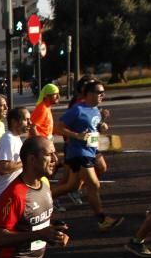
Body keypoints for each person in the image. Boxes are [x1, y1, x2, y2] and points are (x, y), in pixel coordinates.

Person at [52, 80, 123, 232]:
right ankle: (102, 220)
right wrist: (76, 135)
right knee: (94, 184)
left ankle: (39, 200)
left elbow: (92, 130)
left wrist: (101, 126)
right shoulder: (78, 109)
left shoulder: (96, 109)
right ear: (89, 94)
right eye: (99, 92)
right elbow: (57, 127)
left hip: (89, 151)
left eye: (103, 92)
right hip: (78, 153)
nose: (102, 95)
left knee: (72, 186)